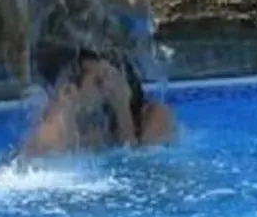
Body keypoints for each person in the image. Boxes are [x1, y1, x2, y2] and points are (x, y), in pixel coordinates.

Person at [23, 48, 177, 157]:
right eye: (98, 82)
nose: (108, 87)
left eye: (111, 78)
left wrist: (122, 108)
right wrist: (68, 120)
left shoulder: (155, 115)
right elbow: (58, 170)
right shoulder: (58, 121)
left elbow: (137, 169)